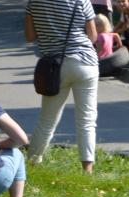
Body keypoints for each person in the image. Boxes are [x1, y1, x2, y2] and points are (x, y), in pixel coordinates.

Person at [25, 0, 100, 173]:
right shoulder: (80, 0)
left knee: (47, 120)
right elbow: (93, 35)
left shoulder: (34, 2)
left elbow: (30, 36)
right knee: (87, 120)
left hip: (54, 67)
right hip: (85, 63)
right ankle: (87, 169)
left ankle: (32, 164)